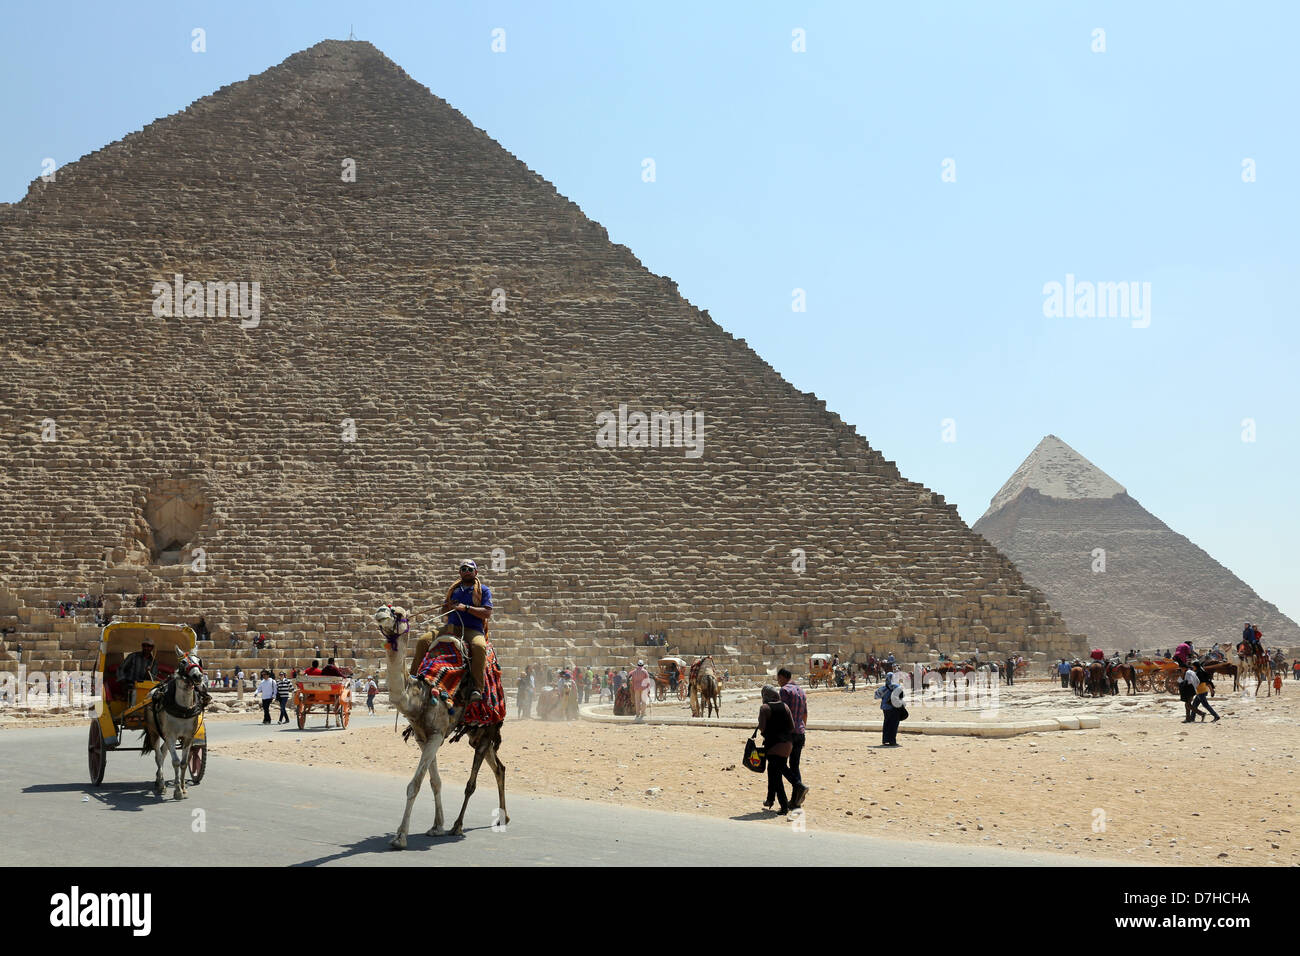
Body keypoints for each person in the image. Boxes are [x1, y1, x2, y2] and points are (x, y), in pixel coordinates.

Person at [427, 560, 493, 702]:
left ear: (476, 572)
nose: (466, 571)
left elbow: (487, 613)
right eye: (463, 569)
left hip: (472, 629)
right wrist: (448, 606)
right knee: (422, 641)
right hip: (451, 628)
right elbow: (444, 611)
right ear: (459, 572)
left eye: (470, 569)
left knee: (479, 646)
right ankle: (415, 679)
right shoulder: (454, 590)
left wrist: (466, 608)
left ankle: (477, 687)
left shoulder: (483, 590)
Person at [758, 685, 798, 814]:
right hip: (788, 745)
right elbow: (792, 727)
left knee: (776, 776)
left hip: (773, 747)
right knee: (774, 772)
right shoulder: (785, 706)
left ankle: (796, 789)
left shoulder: (764, 708)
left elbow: (762, 728)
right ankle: (772, 800)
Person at [776, 667, 810, 809]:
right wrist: (801, 729)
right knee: (794, 765)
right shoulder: (801, 691)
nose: (778, 682)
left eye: (778, 679)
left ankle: (799, 786)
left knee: (780, 764)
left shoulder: (784, 690)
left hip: (788, 734)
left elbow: (784, 712)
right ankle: (796, 801)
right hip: (800, 733)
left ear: (783, 677)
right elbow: (805, 714)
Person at [117, 639, 159, 706]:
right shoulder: (133, 656)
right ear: (142, 646)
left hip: (144, 688)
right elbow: (121, 668)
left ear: (152, 648)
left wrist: (149, 673)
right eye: (144, 645)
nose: (146, 648)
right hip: (129, 685)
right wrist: (122, 680)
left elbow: (153, 678)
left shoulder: (154, 662)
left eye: (149, 646)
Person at [875, 669, 904, 746]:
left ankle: (885, 740)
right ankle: (892, 741)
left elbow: (876, 696)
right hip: (894, 708)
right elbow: (902, 695)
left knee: (886, 723)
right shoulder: (897, 686)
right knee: (894, 724)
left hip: (885, 708)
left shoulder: (882, 688)